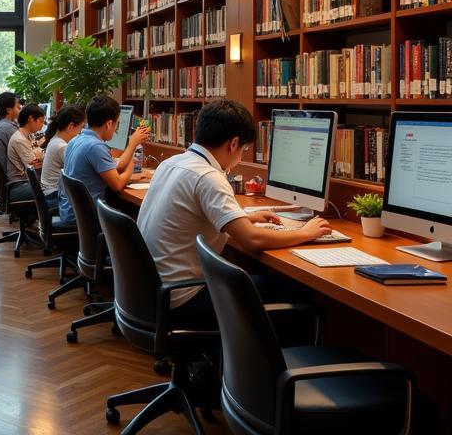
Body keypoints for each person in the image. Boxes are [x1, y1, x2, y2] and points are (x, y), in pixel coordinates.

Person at [137, 99, 332, 327]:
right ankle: (272, 362)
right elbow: (252, 239)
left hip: (153, 292)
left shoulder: (172, 163)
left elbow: (191, 214)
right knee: (295, 291)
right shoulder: (209, 177)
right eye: (244, 150)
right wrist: (306, 233)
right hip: (183, 300)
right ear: (233, 143)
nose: (240, 157)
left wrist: (244, 218)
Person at [58, 96, 151, 223]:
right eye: (116, 124)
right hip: (85, 216)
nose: (116, 129)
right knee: (136, 215)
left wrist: (131, 145)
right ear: (108, 124)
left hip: (71, 210)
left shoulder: (77, 140)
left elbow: (115, 168)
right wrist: (133, 155)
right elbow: (117, 185)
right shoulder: (95, 146)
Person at [40, 105, 85, 212]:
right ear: (70, 126)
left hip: (49, 193)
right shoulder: (61, 146)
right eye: (80, 128)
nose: (80, 132)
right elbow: (80, 171)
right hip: (54, 197)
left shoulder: (55, 140)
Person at [6, 104, 46, 191]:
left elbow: (38, 155)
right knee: (55, 188)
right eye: (41, 121)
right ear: (31, 119)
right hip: (20, 184)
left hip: (27, 179)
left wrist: (40, 155)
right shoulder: (20, 140)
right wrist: (40, 156)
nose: (42, 125)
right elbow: (34, 165)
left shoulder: (28, 135)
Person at [0, 91, 21, 172]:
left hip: (3, 174)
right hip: (12, 178)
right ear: (9, 110)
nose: (20, 108)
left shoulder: (3, 125)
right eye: (18, 107)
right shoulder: (8, 128)